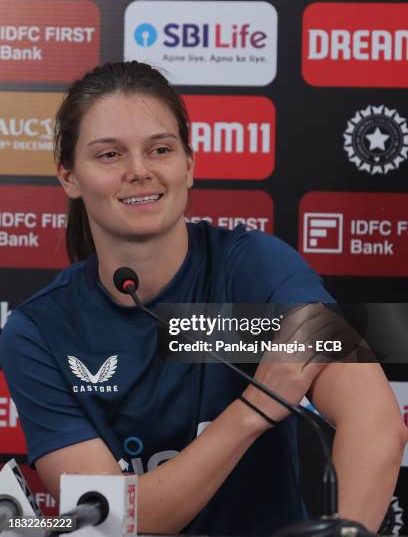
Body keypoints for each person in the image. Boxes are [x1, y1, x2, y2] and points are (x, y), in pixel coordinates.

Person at [0, 62, 406, 535]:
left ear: (188, 165)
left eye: (160, 149)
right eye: (109, 155)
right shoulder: (39, 331)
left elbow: (376, 423)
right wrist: (252, 411)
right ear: (69, 177)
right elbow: (124, 521)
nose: (139, 171)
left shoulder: (256, 267)